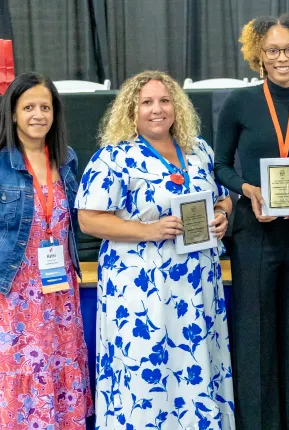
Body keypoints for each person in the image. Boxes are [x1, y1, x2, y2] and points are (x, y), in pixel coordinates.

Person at [75, 70, 234, 429]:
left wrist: (223, 215)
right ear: (131, 110)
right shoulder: (112, 158)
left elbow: (224, 199)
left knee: (194, 365)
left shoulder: (200, 151)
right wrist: (147, 230)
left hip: (197, 287)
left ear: (176, 106)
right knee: (146, 367)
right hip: (140, 290)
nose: (157, 109)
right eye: (146, 102)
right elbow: (88, 220)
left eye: (164, 101)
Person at [213, 12, 289, 429]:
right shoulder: (239, 102)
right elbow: (221, 166)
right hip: (253, 232)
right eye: (272, 51)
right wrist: (247, 189)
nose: (281, 58)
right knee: (257, 336)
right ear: (258, 55)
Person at [0, 73, 92, 428]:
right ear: (13, 114)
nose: (38, 115)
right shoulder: (3, 163)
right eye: (28, 107)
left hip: (59, 288)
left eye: (45, 107)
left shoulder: (67, 158)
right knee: (20, 372)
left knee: (58, 365)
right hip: (15, 290)